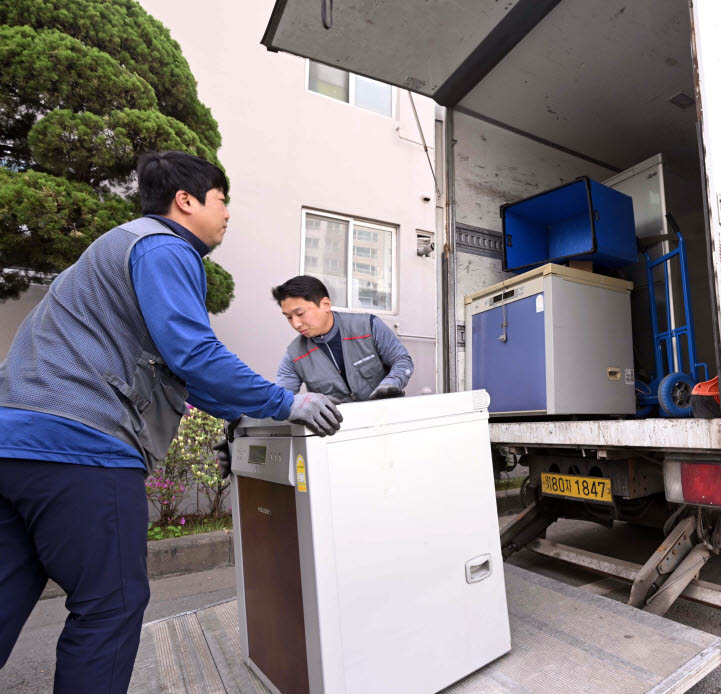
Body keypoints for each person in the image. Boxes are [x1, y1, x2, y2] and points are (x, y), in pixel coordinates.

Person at [0, 151, 342, 693]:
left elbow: (187, 376)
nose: (227, 213)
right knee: (111, 605)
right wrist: (288, 405)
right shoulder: (164, 246)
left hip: (13, 445)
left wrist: (248, 415)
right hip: (84, 447)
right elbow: (195, 354)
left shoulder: (117, 248)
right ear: (186, 201)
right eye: (221, 200)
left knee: (7, 590)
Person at [272, 275, 414, 401]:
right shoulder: (294, 355)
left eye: (300, 313)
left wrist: (390, 384)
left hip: (385, 416)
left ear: (325, 304)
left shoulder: (368, 326)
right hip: (339, 427)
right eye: (289, 317)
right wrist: (305, 402)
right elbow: (281, 398)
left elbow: (401, 360)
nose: (296, 324)